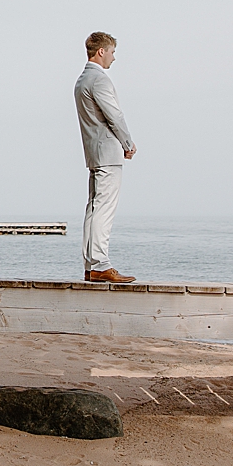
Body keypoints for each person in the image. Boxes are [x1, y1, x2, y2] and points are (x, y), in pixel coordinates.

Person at [74, 31, 137, 283]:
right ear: (101, 51)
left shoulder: (81, 81)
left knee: (93, 208)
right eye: (112, 52)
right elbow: (114, 116)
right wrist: (128, 142)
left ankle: (91, 264)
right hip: (108, 152)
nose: (113, 57)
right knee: (104, 209)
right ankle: (100, 263)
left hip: (93, 152)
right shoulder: (99, 80)